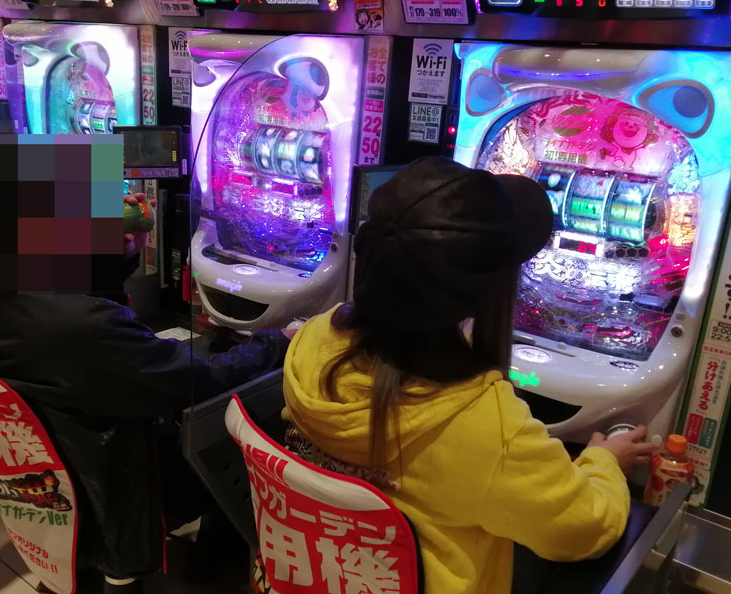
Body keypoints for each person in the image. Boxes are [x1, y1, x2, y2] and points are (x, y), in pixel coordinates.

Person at [281, 157, 656, 593]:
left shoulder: (313, 340)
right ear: (488, 292)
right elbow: (584, 531)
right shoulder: (483, 425)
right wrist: (605, 461)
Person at [0, 192, 291, 589]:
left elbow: (70, 314)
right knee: (244, 421)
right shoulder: (82, 327)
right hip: (119, 476)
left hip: (48, 462)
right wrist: (278, 343)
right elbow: (200, 381)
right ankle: (212, 557)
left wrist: (121, 257)